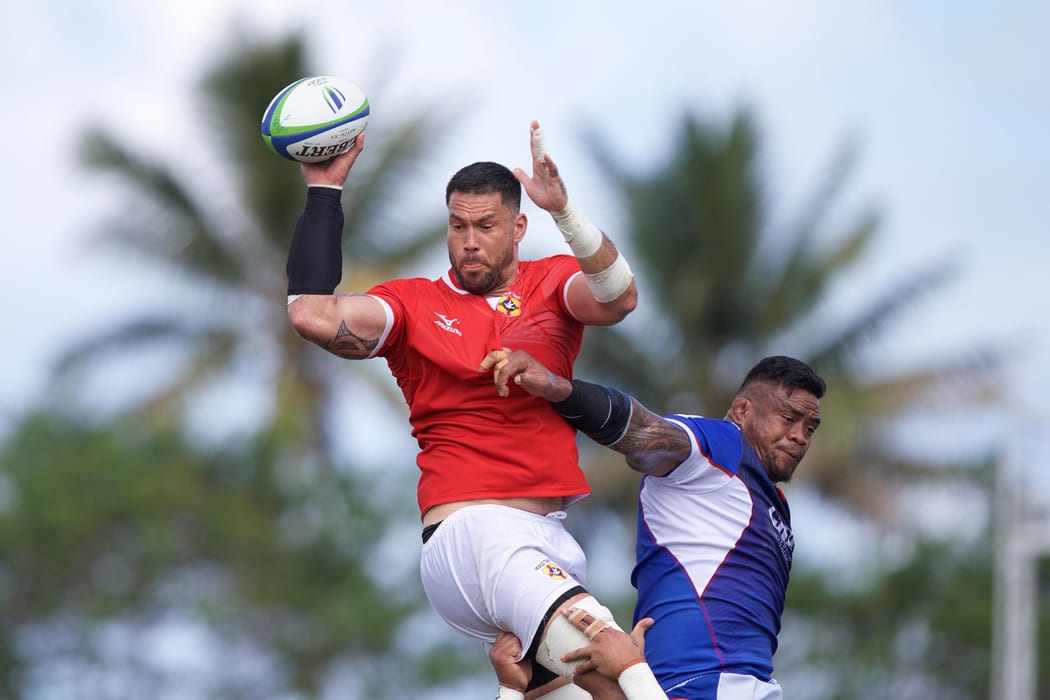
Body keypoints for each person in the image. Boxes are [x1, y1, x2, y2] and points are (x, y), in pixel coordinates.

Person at [283, 121, 639, 696]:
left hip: (547, 538)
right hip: (477, 533)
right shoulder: (413, 303)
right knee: (619, 666)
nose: (469, 241)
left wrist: (565, 211)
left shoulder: (550, 283)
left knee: (586, 694)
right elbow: (311, 315)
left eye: (485, 226)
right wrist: (325, 189)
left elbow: (619, 297)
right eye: (458, 226)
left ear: (518, 227)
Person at [481, 350, 826, 699]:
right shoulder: (724, 445)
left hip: (709, 686)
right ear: (742, 410)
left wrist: (513, 690)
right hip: (707, 684)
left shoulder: (774, 501)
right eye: (788, 418)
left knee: (541, 681)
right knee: (538, 671)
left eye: (809, 428)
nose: (800, 436)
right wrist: (558, 389)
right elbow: (644, 432)